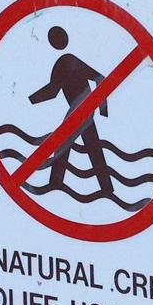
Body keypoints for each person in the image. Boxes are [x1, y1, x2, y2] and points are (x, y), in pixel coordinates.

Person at [29, 26, 114, 197]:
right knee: (90, 145)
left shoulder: (68, 61)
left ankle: (56, 182)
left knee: (64, 143)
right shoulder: (63, 63)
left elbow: (100, 78)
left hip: (81, 110)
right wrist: (31, 100)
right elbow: (53, 91)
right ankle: (105, 187)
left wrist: (102, 108)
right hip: (80, 111)